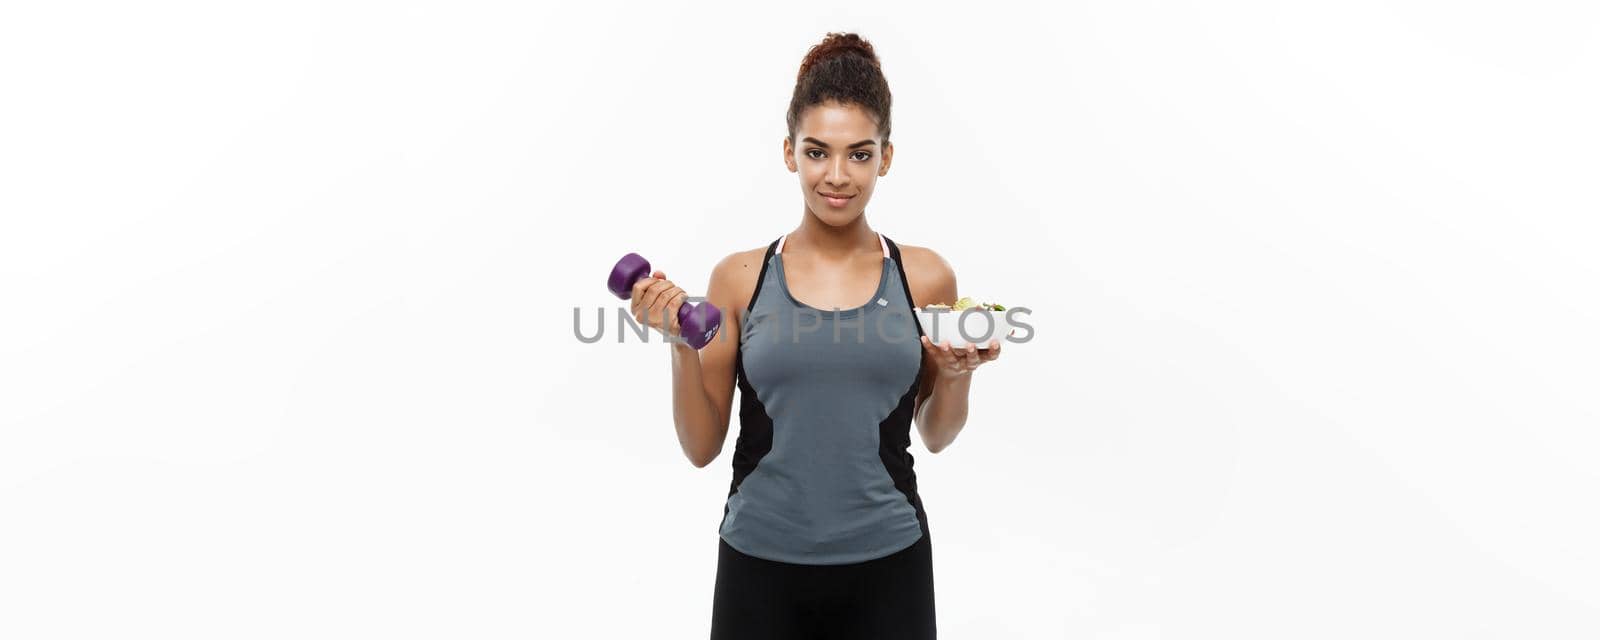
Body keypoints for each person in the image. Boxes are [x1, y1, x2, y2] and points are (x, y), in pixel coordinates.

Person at [629, 32, 1006, 640]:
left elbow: (935, 435)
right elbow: (702, 448)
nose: (837, 176)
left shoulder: (925, 276)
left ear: (886, 157)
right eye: (817, 152)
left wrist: (957, 376)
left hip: (889, 565)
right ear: (788, 153)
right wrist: (677, 343)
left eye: (859, 154)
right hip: (759, 567)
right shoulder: (739, 278)